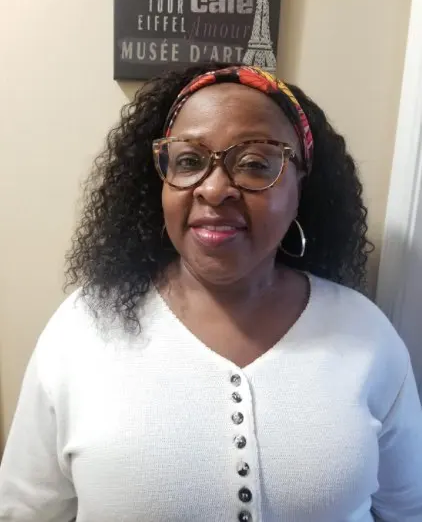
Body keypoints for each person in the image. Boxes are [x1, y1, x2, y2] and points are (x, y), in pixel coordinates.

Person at [0, 63, 421, 522]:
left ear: (300, 187)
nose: (215, 189)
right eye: (188, 161)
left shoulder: (366, 333)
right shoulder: (82, 328)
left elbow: (408, 510)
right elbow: (26, 511)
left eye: (255, 164)